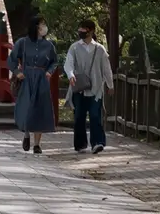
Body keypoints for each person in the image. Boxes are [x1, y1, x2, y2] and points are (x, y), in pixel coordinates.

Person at [7, 13, 57, 154]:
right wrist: (17, 72)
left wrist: (49, 71)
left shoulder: (49, 45)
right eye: (41, 24)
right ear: (35, 27)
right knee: (27, 108)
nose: (44, 27)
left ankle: (37, 144)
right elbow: (12, 59)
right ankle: (26, 133)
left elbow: (54, 61)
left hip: (41, 78)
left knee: (40, 110)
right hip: (27, 78)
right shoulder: (22, 42)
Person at [64, 17, 114, 153]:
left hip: (95, 88)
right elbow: (68, 63)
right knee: (79, 116)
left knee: (95, 115)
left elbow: (106, 68)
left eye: (84, 29)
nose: (80, 31)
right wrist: (70, 75)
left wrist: (110, 84)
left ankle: (97, 142)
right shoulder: (74, 47)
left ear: (91, 31)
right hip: (79, 88)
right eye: (80, 28)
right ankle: (80, 143)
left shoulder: (100, 49)